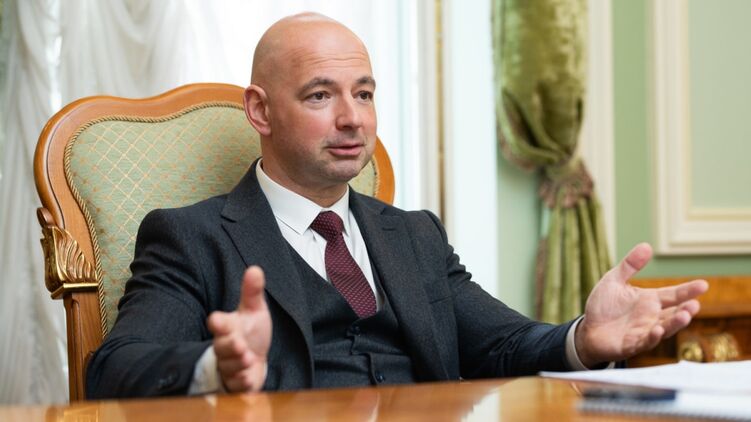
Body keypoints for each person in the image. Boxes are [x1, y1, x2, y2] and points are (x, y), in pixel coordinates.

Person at [85, 13, 708, 398]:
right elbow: (115, 369)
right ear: (260, 111)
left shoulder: (415, 235)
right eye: (321, 95)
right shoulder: (191, 237)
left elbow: (502, 344)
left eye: (364, 93)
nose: (353, 119)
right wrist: (213, 369)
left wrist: (584, 339)